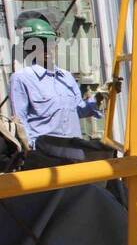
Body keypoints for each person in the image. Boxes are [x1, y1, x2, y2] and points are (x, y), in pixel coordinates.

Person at [8, 15, 102, 148]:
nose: (47, 48)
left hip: (74, 150)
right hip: (46, 155)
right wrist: (31, 148)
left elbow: (78, 111)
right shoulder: (22, 78)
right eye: (39, 43)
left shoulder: (66, 77)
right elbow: (20, 120)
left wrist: (99, 99)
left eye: (50, 42)